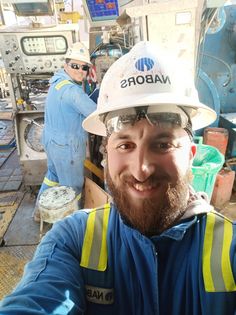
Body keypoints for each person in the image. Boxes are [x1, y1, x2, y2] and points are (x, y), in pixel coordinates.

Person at [0, 41, 235, 315]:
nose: (141, 169)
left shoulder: (229, 249)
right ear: (106, 156)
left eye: (163, 145)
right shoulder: (73, 240)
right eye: (124, 145)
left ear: (192, 154)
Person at [34, 42, 97, 220]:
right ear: (66, 65)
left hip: (51, 142)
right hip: (66, 147)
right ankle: (70, 228)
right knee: (73, 188)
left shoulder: (57, 83)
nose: (80, 70)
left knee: (52, 176)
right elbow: (95, 114)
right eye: (75, 66)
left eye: (84, 67)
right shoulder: (72, 92)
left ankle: (39, 213)